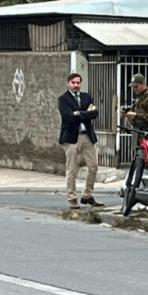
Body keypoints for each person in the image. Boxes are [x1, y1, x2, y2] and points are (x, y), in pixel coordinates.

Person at [58, 73, 103, 209]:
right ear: (68, 83)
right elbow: (68, 117)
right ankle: (72, 198)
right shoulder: (63, 99)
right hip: (71, 138)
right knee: (72, 169)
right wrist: (85, 113)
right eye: (73, 83)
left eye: (78, 83)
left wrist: (78, 113)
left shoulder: (86, 97)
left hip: (87, 136)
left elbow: (95, 114)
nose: (76, 85)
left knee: (93, 167)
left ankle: (87, 195)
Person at [124, 73, 148, 152]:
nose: (134, 89)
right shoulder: (141, 97)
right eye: (133, 87)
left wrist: (137, 115)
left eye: (136, 87)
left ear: (143, 84)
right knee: (139, 159)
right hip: (141, 133)